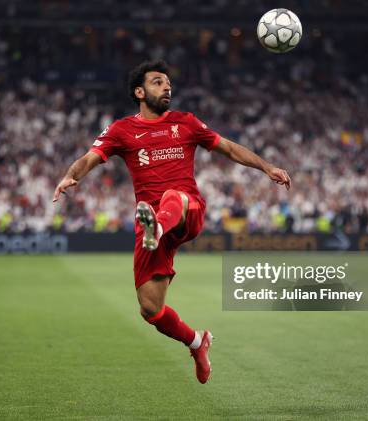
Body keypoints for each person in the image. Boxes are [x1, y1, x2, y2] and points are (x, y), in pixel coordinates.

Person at [52, 60, 291, 384]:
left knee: (172, 197)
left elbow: (229, 148)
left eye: (168, 83)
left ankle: (158, 226)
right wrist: (70, 176)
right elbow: (89, 158)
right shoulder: (122, 129)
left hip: (186, 210)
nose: (167, 87)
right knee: (150, 309)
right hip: (148, 224)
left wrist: (266, 167)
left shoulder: (186, 123)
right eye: (157, 82)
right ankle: (197, 341)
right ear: (139, 91)